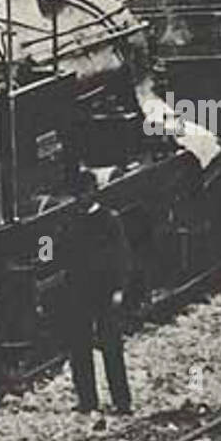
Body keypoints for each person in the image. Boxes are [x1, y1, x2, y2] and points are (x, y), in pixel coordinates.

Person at [61, 168, 134, 416]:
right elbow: (53, 249)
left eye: (86, 193)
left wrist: (119, 289)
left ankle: (122, 401)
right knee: (79, 348)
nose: (82, 198)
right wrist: (43, 259)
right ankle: (87, 400)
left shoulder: (109, 220)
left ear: (94, 192)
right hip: (77, 293)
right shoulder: (70, 221)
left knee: (111, 346)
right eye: (78, 194)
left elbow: (122, 256)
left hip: (105, 291)